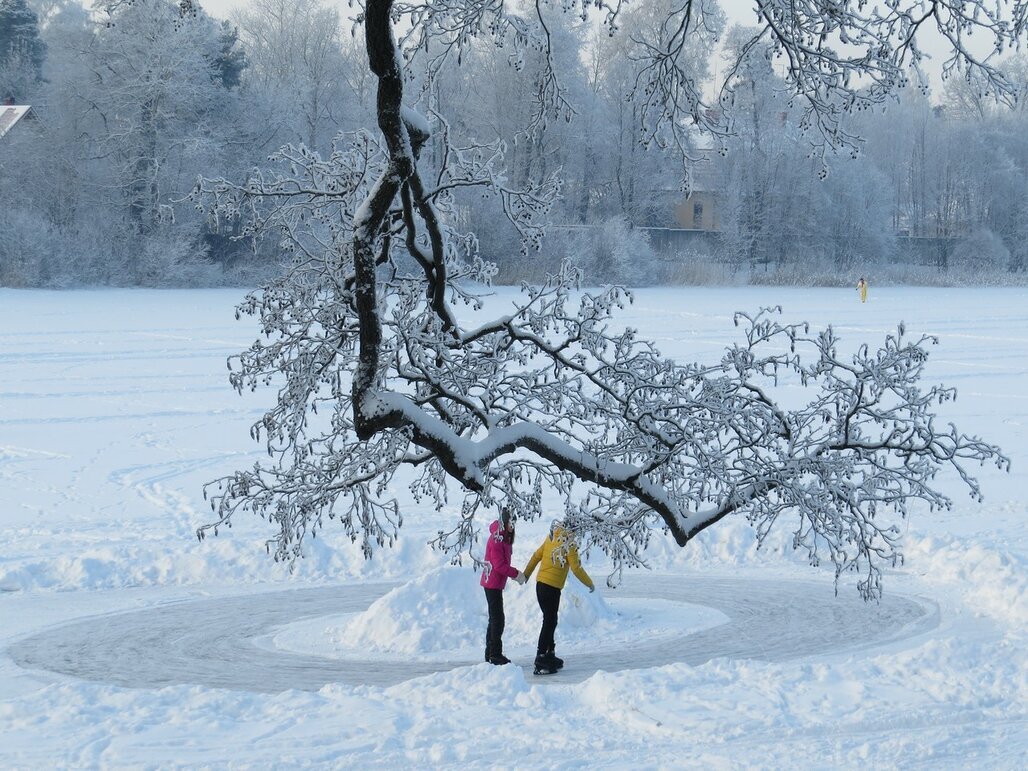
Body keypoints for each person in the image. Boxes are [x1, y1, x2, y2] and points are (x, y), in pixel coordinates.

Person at [523, 519, 595, 673]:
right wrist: (589, 583)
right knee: (550, 621)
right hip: (551, 588)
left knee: (550, 620)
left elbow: (536, 556)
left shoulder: (552, 537)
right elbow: (576, 568)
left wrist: (526, 574)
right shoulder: (569, 543)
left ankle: (549, 654)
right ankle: (541, 656)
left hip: (540, 586)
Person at [479, 508, 526, 665]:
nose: (513, 526)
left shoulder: (503, 538)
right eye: (510, 523)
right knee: (498, 619)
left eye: (514, 523)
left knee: (495, 619)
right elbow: (499, 565)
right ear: (504, 523)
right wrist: (516, 574)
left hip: (495, 583)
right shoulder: (497, 540)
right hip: (492, 583)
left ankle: (490, 653)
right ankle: (495, 654)